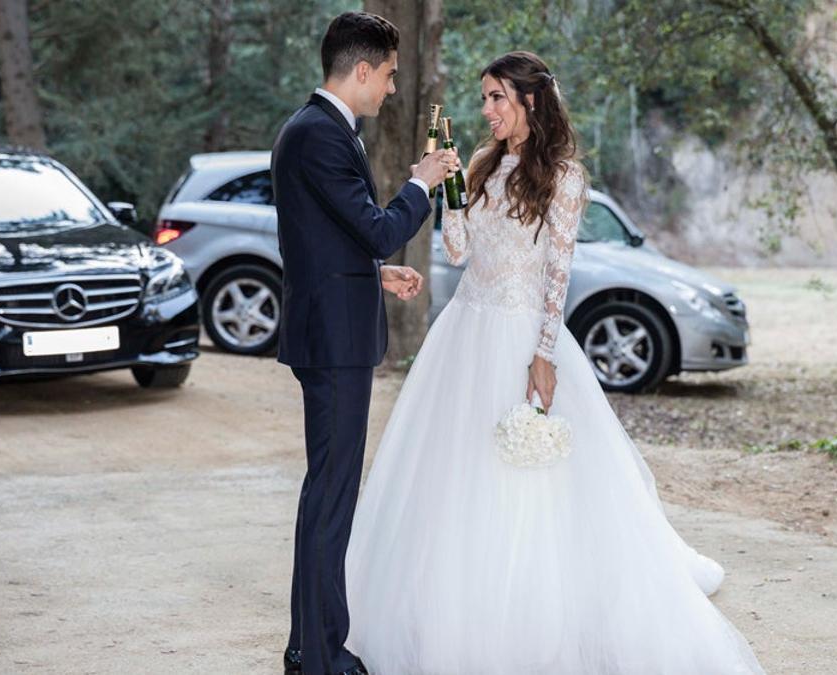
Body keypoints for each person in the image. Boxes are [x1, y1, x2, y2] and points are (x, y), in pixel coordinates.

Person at [343, 51, 767, 674]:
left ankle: (532, 607)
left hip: (520, 335)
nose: (485, 109)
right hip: (463, 332)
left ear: (530, 100)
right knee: (454, 470)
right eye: (483, 98)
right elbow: (459, 252)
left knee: (531, 479)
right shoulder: (484, 164)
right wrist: (448, 189)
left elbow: (558, 271)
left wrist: (544, 352)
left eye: (496, 98)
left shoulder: (563, 176)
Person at [270, 11, 458, 675]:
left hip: (330, 330)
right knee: (331, 499)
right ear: (360, 71)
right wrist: (422, 183)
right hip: (334, 344)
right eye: (387, 76)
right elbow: (377, 227)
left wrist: (376, 273)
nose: (390, 90)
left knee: (326, 494)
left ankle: (312, 645)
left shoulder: (314, 131)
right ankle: (318, 657)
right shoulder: (320, 134)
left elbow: (325, 241)